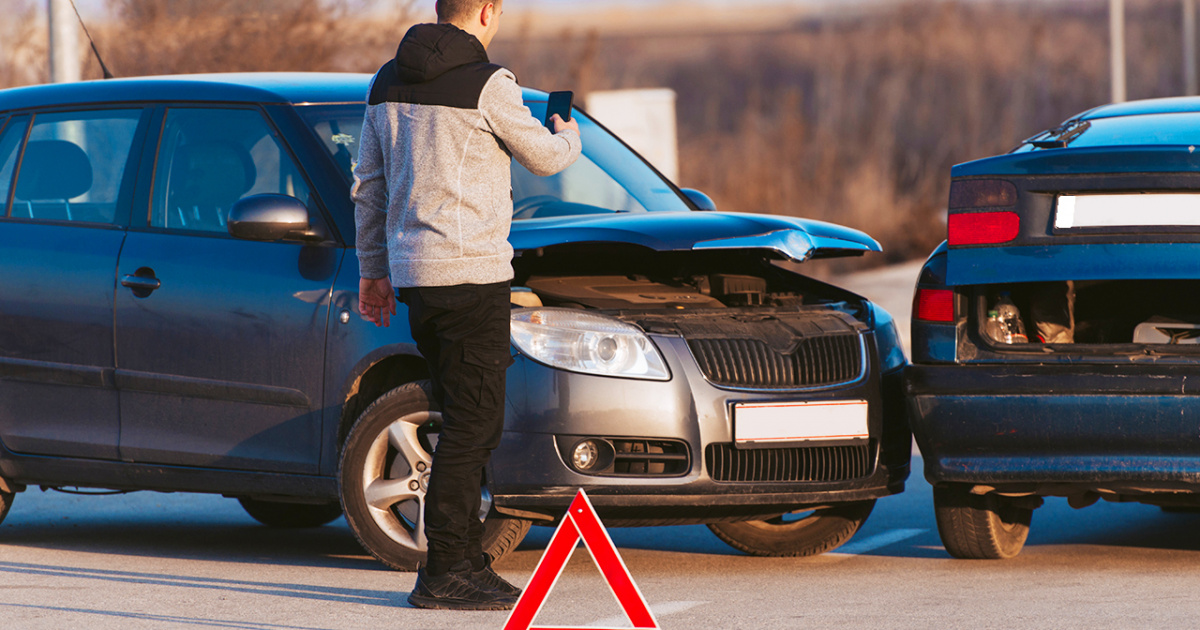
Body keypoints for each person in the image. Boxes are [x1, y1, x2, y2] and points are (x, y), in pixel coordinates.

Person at [351, 0, 582, 612]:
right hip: (471, 276)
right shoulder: (488, 83)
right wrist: (568, 133)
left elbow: (368, 186)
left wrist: (373, 271)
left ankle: (466, 562)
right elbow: (546, 158)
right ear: (486, 10)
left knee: (462, 418)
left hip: (418, 279)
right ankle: (445, 571)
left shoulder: (385, 81)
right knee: (473, 424)